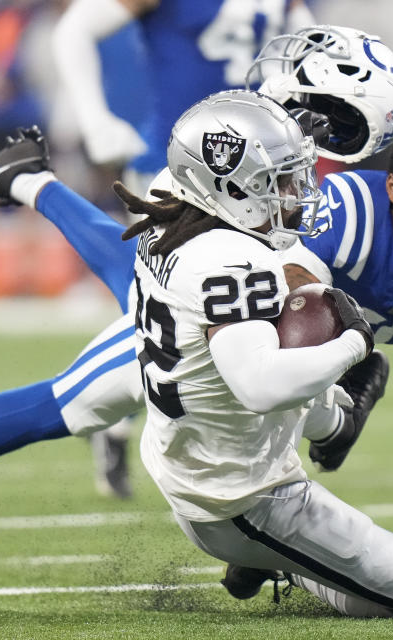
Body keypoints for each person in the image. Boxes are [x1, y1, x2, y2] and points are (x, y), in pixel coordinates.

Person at [0, 25, 393, 590]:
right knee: (77, 398)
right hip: (207, 218)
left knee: (135, 327)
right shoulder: (262, 168)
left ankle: (29, 180)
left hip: (204, 203)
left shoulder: (277, 159)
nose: (289, 81)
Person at [116, 89, 393, 617]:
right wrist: (354, 344)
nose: (297, 194)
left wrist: (281, 125)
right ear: (232, 188)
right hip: (240, 498)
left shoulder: (170, 197)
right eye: (281, 182)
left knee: (300, 313)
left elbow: (209, 150)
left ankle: (334, 424)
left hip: (188, 454)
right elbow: (261, 387)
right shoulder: (230, 259)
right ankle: (283, 559)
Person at [51, 0, 315, 496]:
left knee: (254, 304)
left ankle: (246, 444)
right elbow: (73, 30)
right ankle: (111, 408)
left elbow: (307, 51)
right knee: (159, 306)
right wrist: (94, 120)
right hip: (176, 176)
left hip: (259, 181)